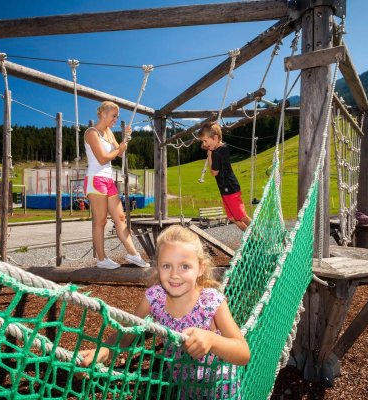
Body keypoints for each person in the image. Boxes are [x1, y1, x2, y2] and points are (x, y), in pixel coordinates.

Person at [79, 225, 250, 396]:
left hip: (221, 389)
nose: (175, 274)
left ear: (201, 268)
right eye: (167, 266)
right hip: (184, 388)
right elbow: (126, 335)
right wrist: (103, 351)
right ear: (158, 267)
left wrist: (212, 340)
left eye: (185, 266)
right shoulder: (155, 298)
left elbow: (243, 353)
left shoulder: (211, 302)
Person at [84, 100, 149, 269]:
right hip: (95, 179)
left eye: (117, 117)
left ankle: (133, 254)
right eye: (114, 116)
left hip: (108, 179)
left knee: (120, 217)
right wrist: (119, 149)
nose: (115, 119)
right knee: (100, 222)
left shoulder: (109, 133)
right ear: (104, 114)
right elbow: (103, 158)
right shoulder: (91, 133)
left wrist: (125, 139)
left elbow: (120, 154)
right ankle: (101, 259)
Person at [198, 122, 252, 231]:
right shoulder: (222, 147)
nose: (204, 144)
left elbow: (214, 173)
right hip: (226, 189)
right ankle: (251, 238)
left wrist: (209, 155)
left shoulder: (217, 153)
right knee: (232, 218)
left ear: (215, 138)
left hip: (230, 189)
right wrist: (209, 143)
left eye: (205, 140)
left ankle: (261, 236)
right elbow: (204, 146)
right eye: (203, 141)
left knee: (241, 216)